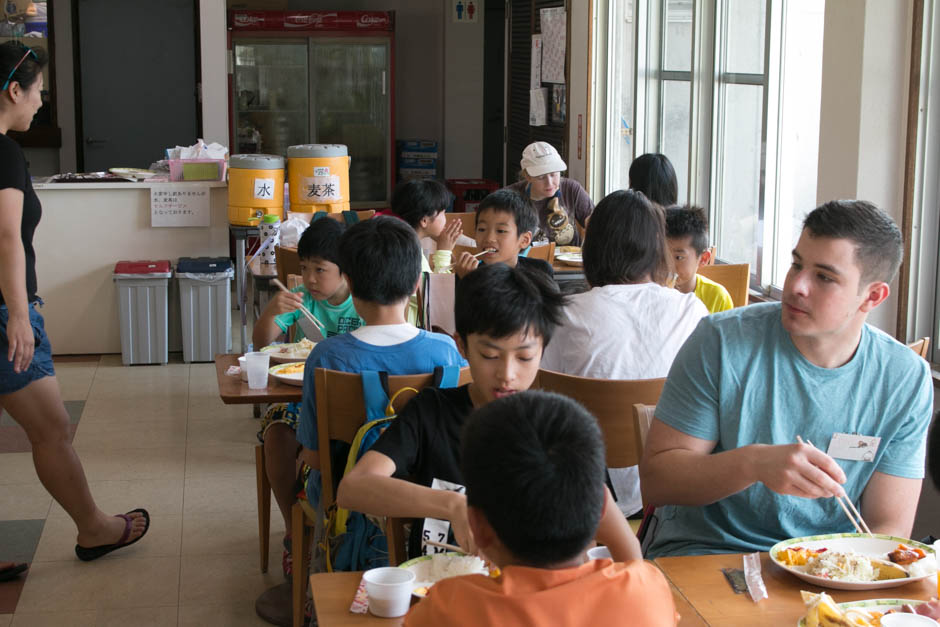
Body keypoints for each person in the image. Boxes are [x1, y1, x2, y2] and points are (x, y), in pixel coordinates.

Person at [641, 200, 933, 557]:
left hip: (827, 565)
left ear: (872, 296)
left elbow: (889, 529)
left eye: (824, 277)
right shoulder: (721, 340)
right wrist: (754, 463)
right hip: (711, 552)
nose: (797, 285)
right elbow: (658, 482)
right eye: (797, 264)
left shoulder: (905, 378)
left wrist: (828, 571)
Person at [338, 264, 638, 560]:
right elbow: (354, 487)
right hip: (440, 590)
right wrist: (451, 504)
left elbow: (608, 539)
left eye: (524, 356)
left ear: (543, 349)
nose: (507, 374)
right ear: (462, 346)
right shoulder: (433, 412)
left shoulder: (557, 427)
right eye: (490, 355)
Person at [0, 41, 149, 562]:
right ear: (13, 90)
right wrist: (19, 313)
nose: (40, 103)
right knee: (52, 429)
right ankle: (94, 529)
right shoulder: (3, 152)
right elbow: (7, 237)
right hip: (4, 312)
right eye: (38, 91)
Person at [403, 391, 677, 627]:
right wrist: (617, 529)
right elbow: (635, 570)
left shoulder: (446, 608)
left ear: (477, 526)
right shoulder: (646, 593)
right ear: (601, 507)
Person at [541, 189, 708, 517]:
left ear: (593, 247)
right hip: (674, 495)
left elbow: (539, 399)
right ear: (658, 248)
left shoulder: (562, 314)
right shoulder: (693, 311)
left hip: (581, 495)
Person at [296, 216, 467, 477]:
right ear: (416, 285)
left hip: (349, 501)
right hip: (431, 499)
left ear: (350, 283)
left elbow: (316, 457)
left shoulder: (326, 356)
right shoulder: (448, 350)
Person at [251, 217, 363, 577]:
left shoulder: (364, 303)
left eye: (320, 269)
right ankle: (293, 531)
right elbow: (262, 345)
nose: (310, 278)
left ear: (345, 270)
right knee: (277, 434)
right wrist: (272, 311)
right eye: (303, 268)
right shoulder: (302, 302)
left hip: (352, 403)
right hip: (302, 397)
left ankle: (349, 527)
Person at [387, 179, 463, 325]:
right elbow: (435, 300)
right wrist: (444, 252)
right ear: (424, 221)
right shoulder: (410, 254)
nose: (446, 219)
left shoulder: (399, 244)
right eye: (443, 213)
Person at [505, 142, 593, 246]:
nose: (549, 183)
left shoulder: (571, 189)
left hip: (567, 260)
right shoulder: (509, 197)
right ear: (528, 176)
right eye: (541, 177)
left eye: (553, 174)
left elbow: (594, 223)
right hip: (527, 259)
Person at [454, 190, 553, 279]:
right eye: (482, 229)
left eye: (501, 231)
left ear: (524, 240)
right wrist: (467, 280)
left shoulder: (539, 271)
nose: (489, 238)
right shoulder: (466, 272)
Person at [665, 205, 733, 313]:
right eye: (662, 255)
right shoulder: (651, 293)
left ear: (703, 259)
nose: (667, 265)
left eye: (678, 257)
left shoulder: (717, 298)